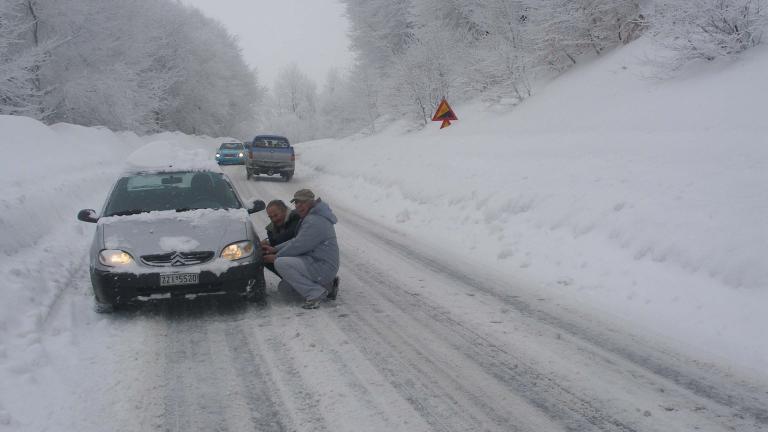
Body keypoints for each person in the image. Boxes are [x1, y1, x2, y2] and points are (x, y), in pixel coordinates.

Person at [262, 189, 340, 309]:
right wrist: (274, 249)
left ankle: (315, 293)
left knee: (281, 263)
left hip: (322, 266)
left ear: (311, 202)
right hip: (316, 262)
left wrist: (276, 256)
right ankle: (327, 287)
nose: (298, 206)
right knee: (285, 289)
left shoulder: (315, 221)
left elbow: (299, 245)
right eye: (296, 202)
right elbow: (297, 240)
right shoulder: (311, 217)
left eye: (302, 202)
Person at [261, 199, 301, 277]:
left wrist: (269, 242)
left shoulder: (296, 217)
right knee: (263, 256)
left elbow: (288, 236)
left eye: (276, 215)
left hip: (303, 256)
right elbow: (274, 243)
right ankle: (288, 279)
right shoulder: (271, 228)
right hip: (289, 255)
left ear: (284, 211)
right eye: (271, 217)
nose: (274, 219)